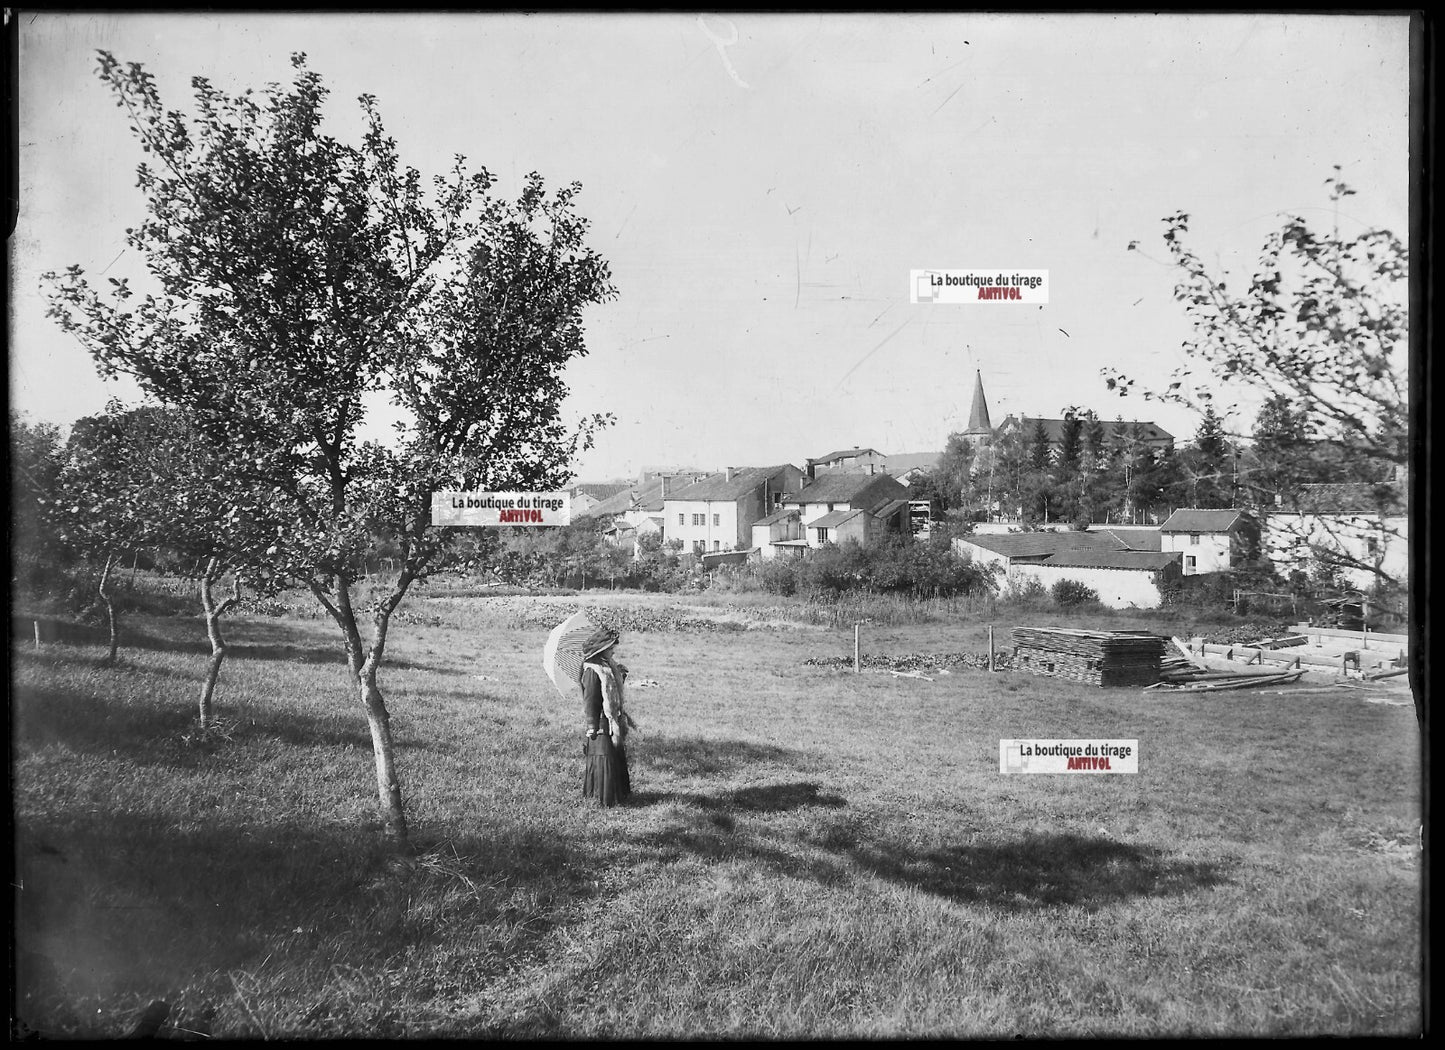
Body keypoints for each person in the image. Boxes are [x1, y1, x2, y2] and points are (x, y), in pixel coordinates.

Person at [580, 628, 633, 807]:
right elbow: (591, 700)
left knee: (613, 755)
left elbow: (611, 691)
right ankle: (602, 798)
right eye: (611, 647)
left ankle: (618, 795)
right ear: (602, 647)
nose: (613, 650)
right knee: (604, 756)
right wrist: (592, 725)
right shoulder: (592, 670)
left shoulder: (607, 666)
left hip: (612, 718)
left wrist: (620, 675)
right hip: (602, 720)